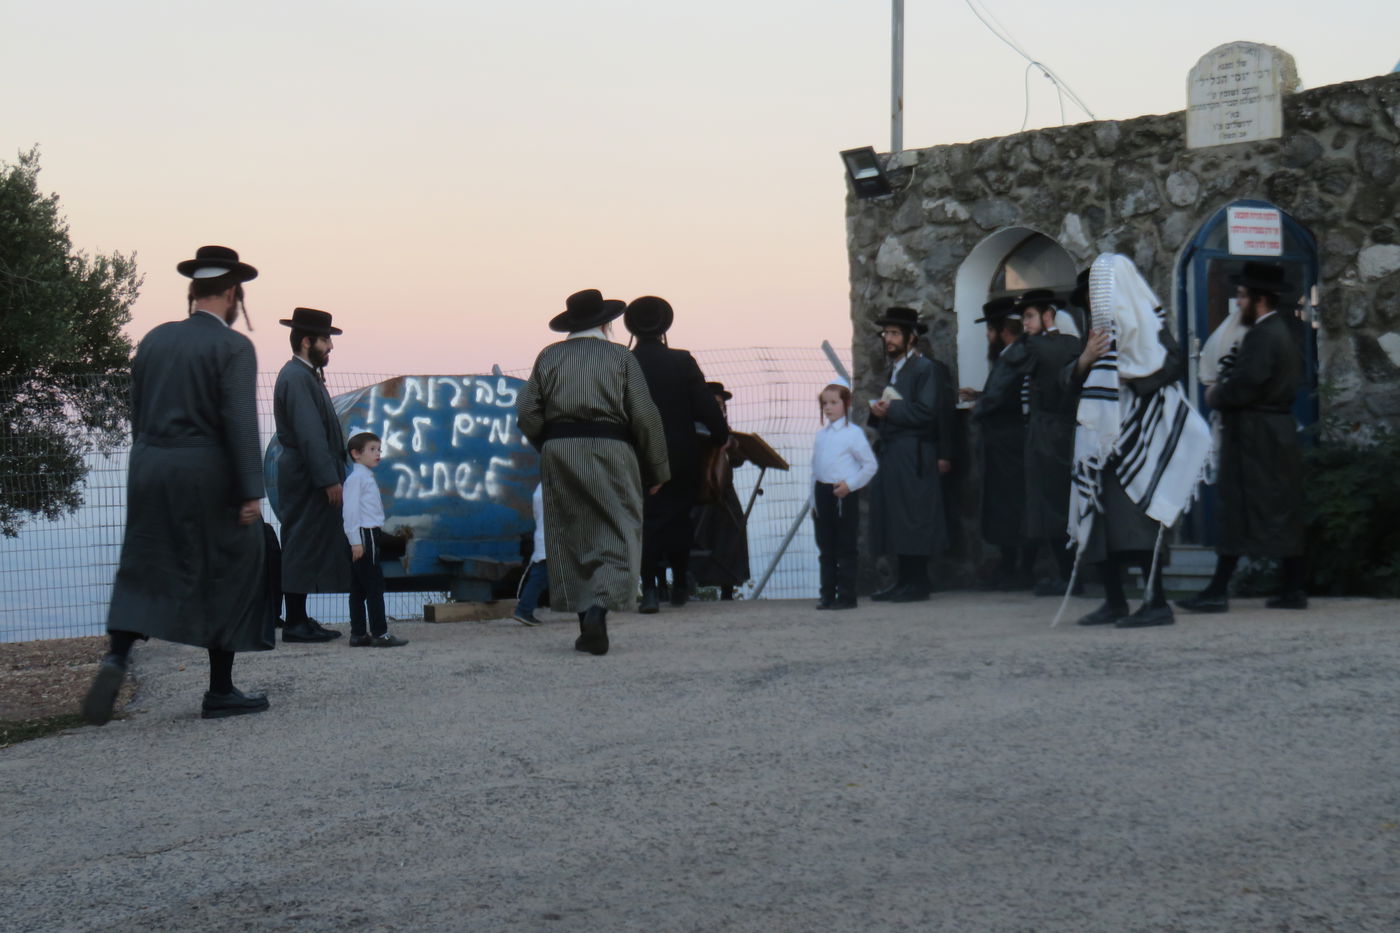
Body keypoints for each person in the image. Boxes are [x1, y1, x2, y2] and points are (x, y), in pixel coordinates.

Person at [83, 245, 273, 724]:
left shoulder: (153, 339)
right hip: (203, 469)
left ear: (193, 291)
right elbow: (239, 422)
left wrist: (150, 459)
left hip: (149, 464)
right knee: (232, 561)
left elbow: (137, 410)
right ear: (232, 292)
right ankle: (221, 691)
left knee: (146, 562)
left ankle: (116, 657)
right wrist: (251, 489)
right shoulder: (233, 347)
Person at [517, 289, 670, 656]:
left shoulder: (549, 356)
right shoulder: (620, 357)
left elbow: (527, 413)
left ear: (571, 324)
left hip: (560, 451)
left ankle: (586, 621)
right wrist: (657, 468)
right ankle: (600, 610)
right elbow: (645, 415)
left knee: (571, 535)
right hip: (612, 450)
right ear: (606, 323)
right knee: (619, 531)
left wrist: (551, 443)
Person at [1063, 253, 1211, 629]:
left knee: (1140, 523)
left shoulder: (1148, 324)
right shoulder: (1096, 333)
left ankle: (1156, 602)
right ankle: (1114, 600)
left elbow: (1171, 363)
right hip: (1102, 441)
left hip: (1139, 438)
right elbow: (1071, 381)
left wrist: (1130, 376)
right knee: (1097, 523)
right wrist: (1085, 360)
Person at [1179, 262, 1307, 613]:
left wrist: (1216, 395)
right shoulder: (1278, 331)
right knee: (1276, 507)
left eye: (1242, 296)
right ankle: (1291, 587)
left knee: (1238, 507)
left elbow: (1247, 384)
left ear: (1259, 300)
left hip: (1255, 434)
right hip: (1267, 432)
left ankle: (1218, 590)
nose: (1238, 303)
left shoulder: (1264, 335)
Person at [624, 296, 728, 612]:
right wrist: (721, 436)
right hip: (681, 454)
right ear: (664, 326)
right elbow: (705, 407)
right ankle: (680, 584)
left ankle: (652, 590)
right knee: (680, 518)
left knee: (648, 521)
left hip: (639, 455)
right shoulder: (682, 361)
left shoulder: (624, 363)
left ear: (633, 328)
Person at [274, 307, 351, 643]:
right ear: (307, 341)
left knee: (304, 541)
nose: (331, 347)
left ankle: (300, 618)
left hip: (308, 473)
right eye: (325, 340)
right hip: (307, 476)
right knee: (301, 543)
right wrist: (328, 479)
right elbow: (309, 434)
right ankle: (295, 624)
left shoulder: (305, 375)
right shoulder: (296, 377)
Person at [868, 307, 950, 602]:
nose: (887, 339)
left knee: (914, 515)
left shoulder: (925, 369)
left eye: (893, 333)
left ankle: (918, 582)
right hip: (895, 450)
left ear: (911, 337)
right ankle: (904, 580)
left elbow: (927, 411)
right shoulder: (897, 369)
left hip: (914, 451)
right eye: (885, 333)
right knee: (898, 515)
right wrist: (877, 412)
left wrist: (891, 409)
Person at [1016, 289, 1083, 595]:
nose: (1025, 324)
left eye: (1029, 316)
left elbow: (1019, 363)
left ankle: (1069, 575)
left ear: (1048, 316)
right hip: (1057, 429)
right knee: (1054, 503)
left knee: (1053, 503)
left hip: (1051, 431)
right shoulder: (1065, 344)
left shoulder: (1044, 346)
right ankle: (1068, 573)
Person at [966, 297, 1034, 588]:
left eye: (990, 330)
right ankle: (1015, 567)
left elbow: (1002, 396)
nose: (987, 336)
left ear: (1002, 330)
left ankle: (1016, 569)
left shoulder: (1013, 356)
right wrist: (980, 396)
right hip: (1010, 443)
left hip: (1009, 445)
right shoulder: (1013, 354)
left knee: (1010, 506)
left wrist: (977, 409)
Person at [812, 378, 878, 609]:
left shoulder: (853, 434)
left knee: (845, 546)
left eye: (833, 402)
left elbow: (870, 465)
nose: (828, 408)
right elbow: (815, 468)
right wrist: (814, 501)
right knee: (826, 547)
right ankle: (827, 594)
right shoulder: (821, 435)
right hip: (823, 493)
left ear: (846, 404)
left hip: (843, 494)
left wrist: (850, 485)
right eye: (824, 403)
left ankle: (847, 595)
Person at [343, 432, 408, 647]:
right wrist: (355, 541)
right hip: (365, 534)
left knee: (359, 586)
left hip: (367, 533)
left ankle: (359, 633)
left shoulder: (365, 477)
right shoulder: (356, 480)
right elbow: (350, 512)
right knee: (374, 584)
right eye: (372, 450)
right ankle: (380, 633)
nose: (377, 454)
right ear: (356, 454)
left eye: (379, 449)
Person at [691, 381, 750, 600]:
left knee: (732, 532)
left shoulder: (725, 430)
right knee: (699, 534)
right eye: (715, 403)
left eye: (722, 403)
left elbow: (735, 463)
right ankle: (693, 583)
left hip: (724, 491)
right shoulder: (694, 427)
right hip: (701, 491)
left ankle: (728, 585)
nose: (721, 407)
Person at [512, 483, 548, 626]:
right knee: (540, 576)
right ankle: (524, 610)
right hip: (552, 541)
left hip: (545, 538)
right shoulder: (557, 486)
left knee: (540, 575)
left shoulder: (542, 487)